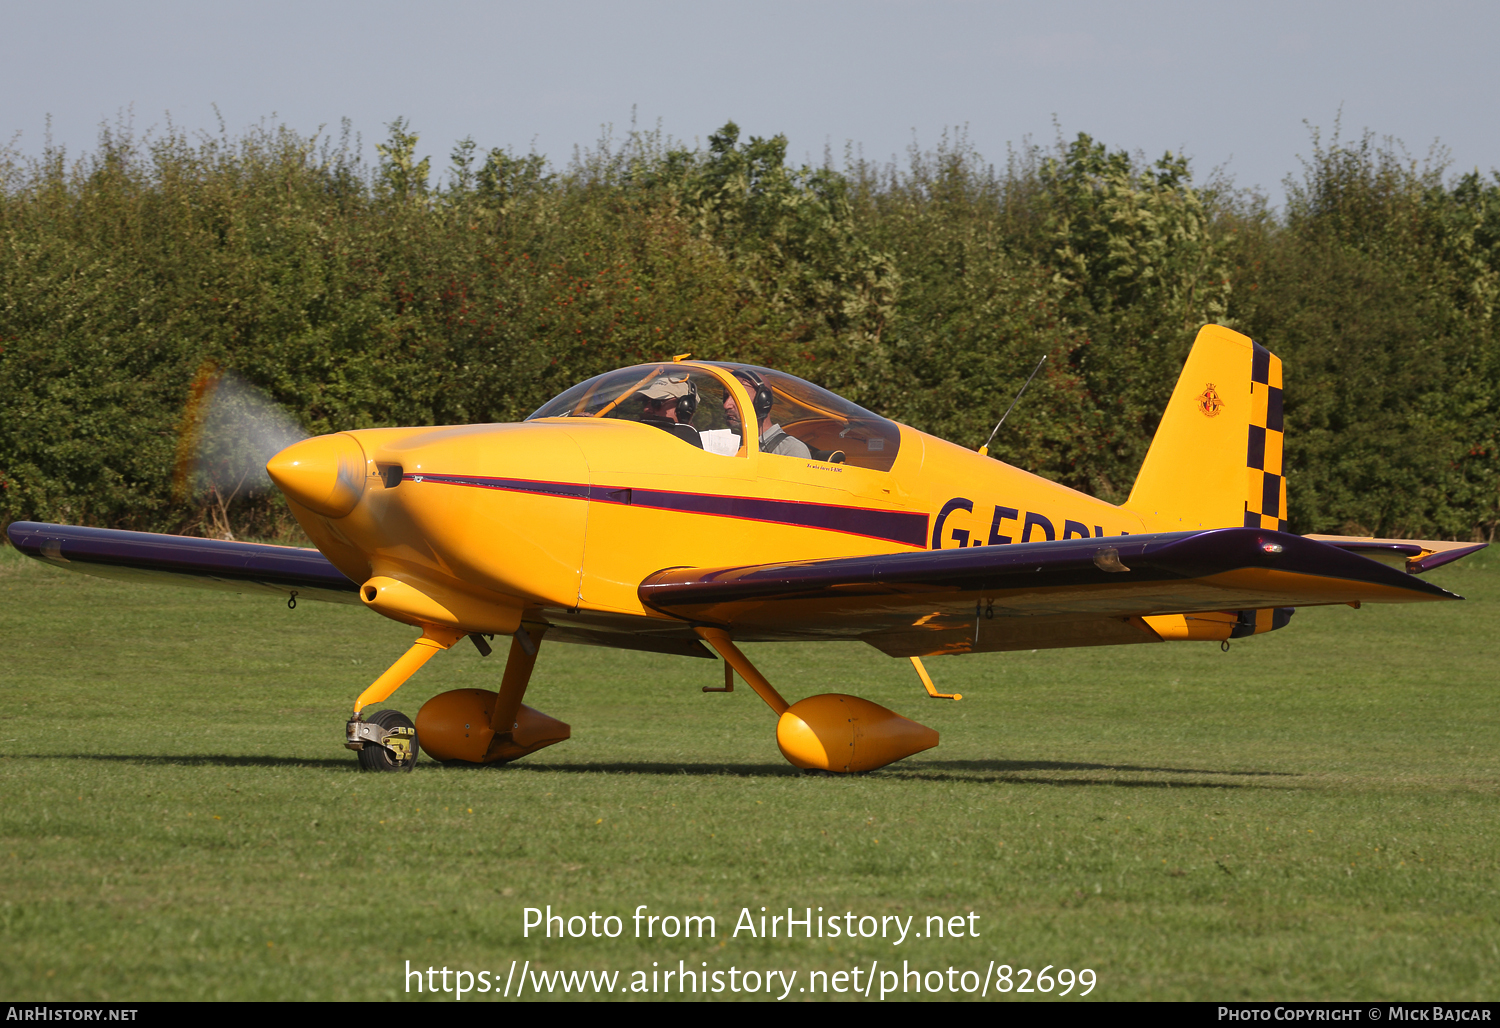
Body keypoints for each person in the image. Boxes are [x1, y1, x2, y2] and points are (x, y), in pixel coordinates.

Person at [728, 370, 811, 458]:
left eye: (737, 397)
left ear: (763, 403)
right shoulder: (733, 445)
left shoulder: (790, 449)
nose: (727, 405)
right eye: (726, 397)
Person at [635, 374, 703, 448]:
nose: (646, 409)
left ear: (685, 407)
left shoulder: (698, 447)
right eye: (645, 403)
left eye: (656, 403)